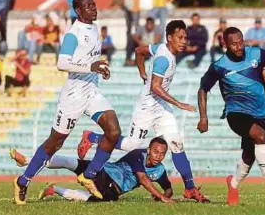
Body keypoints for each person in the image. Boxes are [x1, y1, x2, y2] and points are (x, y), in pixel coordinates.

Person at [78, 20, 210, 203]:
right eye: (180, 38)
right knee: (132, 144)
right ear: (169, 38)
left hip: (161, 107)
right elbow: (155, 87)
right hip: (147, 106)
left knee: (176, 143)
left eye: (185, 38)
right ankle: (92, 137)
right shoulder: (164, 59)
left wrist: (142, 72)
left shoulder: (160, 48)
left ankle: (190, 189)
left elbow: (140, 51)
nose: (184, 41)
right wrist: (179, 104)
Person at [13, 0, 122, 205]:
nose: (93, 8)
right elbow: (62, 63)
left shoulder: (94, 27)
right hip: (73, 97)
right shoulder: (74, 33)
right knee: (55, 143)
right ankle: (23, 180)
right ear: (78, 11)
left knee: (113, 131)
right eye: (88, 7)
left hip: (91, 92)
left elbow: (89, 57)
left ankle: (89, 175)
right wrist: (91, 66)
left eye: (94, 5)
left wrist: (99, 67)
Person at [197, 27, 265, 206]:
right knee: (260, 136)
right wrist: (203, 118)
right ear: (224, 44)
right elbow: (203, 89)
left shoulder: (256, 53)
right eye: (234, 44)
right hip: (236, 113)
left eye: (241, 42)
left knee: (249, 155)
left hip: (260, 112)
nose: (239, 47)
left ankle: (233, 184)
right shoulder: (219, 66)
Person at [10, 137, 174, 203]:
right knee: (71, 162)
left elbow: (168, 187)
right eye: (155, 151)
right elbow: (143, 179)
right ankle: (27, 161)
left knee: (93, 200)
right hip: (105, 172)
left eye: (162, 154)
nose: (158, 156)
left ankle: (53, 189)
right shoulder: (138, 154)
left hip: (114, 190)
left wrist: (163, 196)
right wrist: (161, 197)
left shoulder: (160, 171)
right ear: (149, 149)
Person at [119, 0, 141, 66]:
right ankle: (128, 58)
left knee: (135, 33)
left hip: (135, 9)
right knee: (129, 34)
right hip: (127, 8)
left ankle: (136, 58)